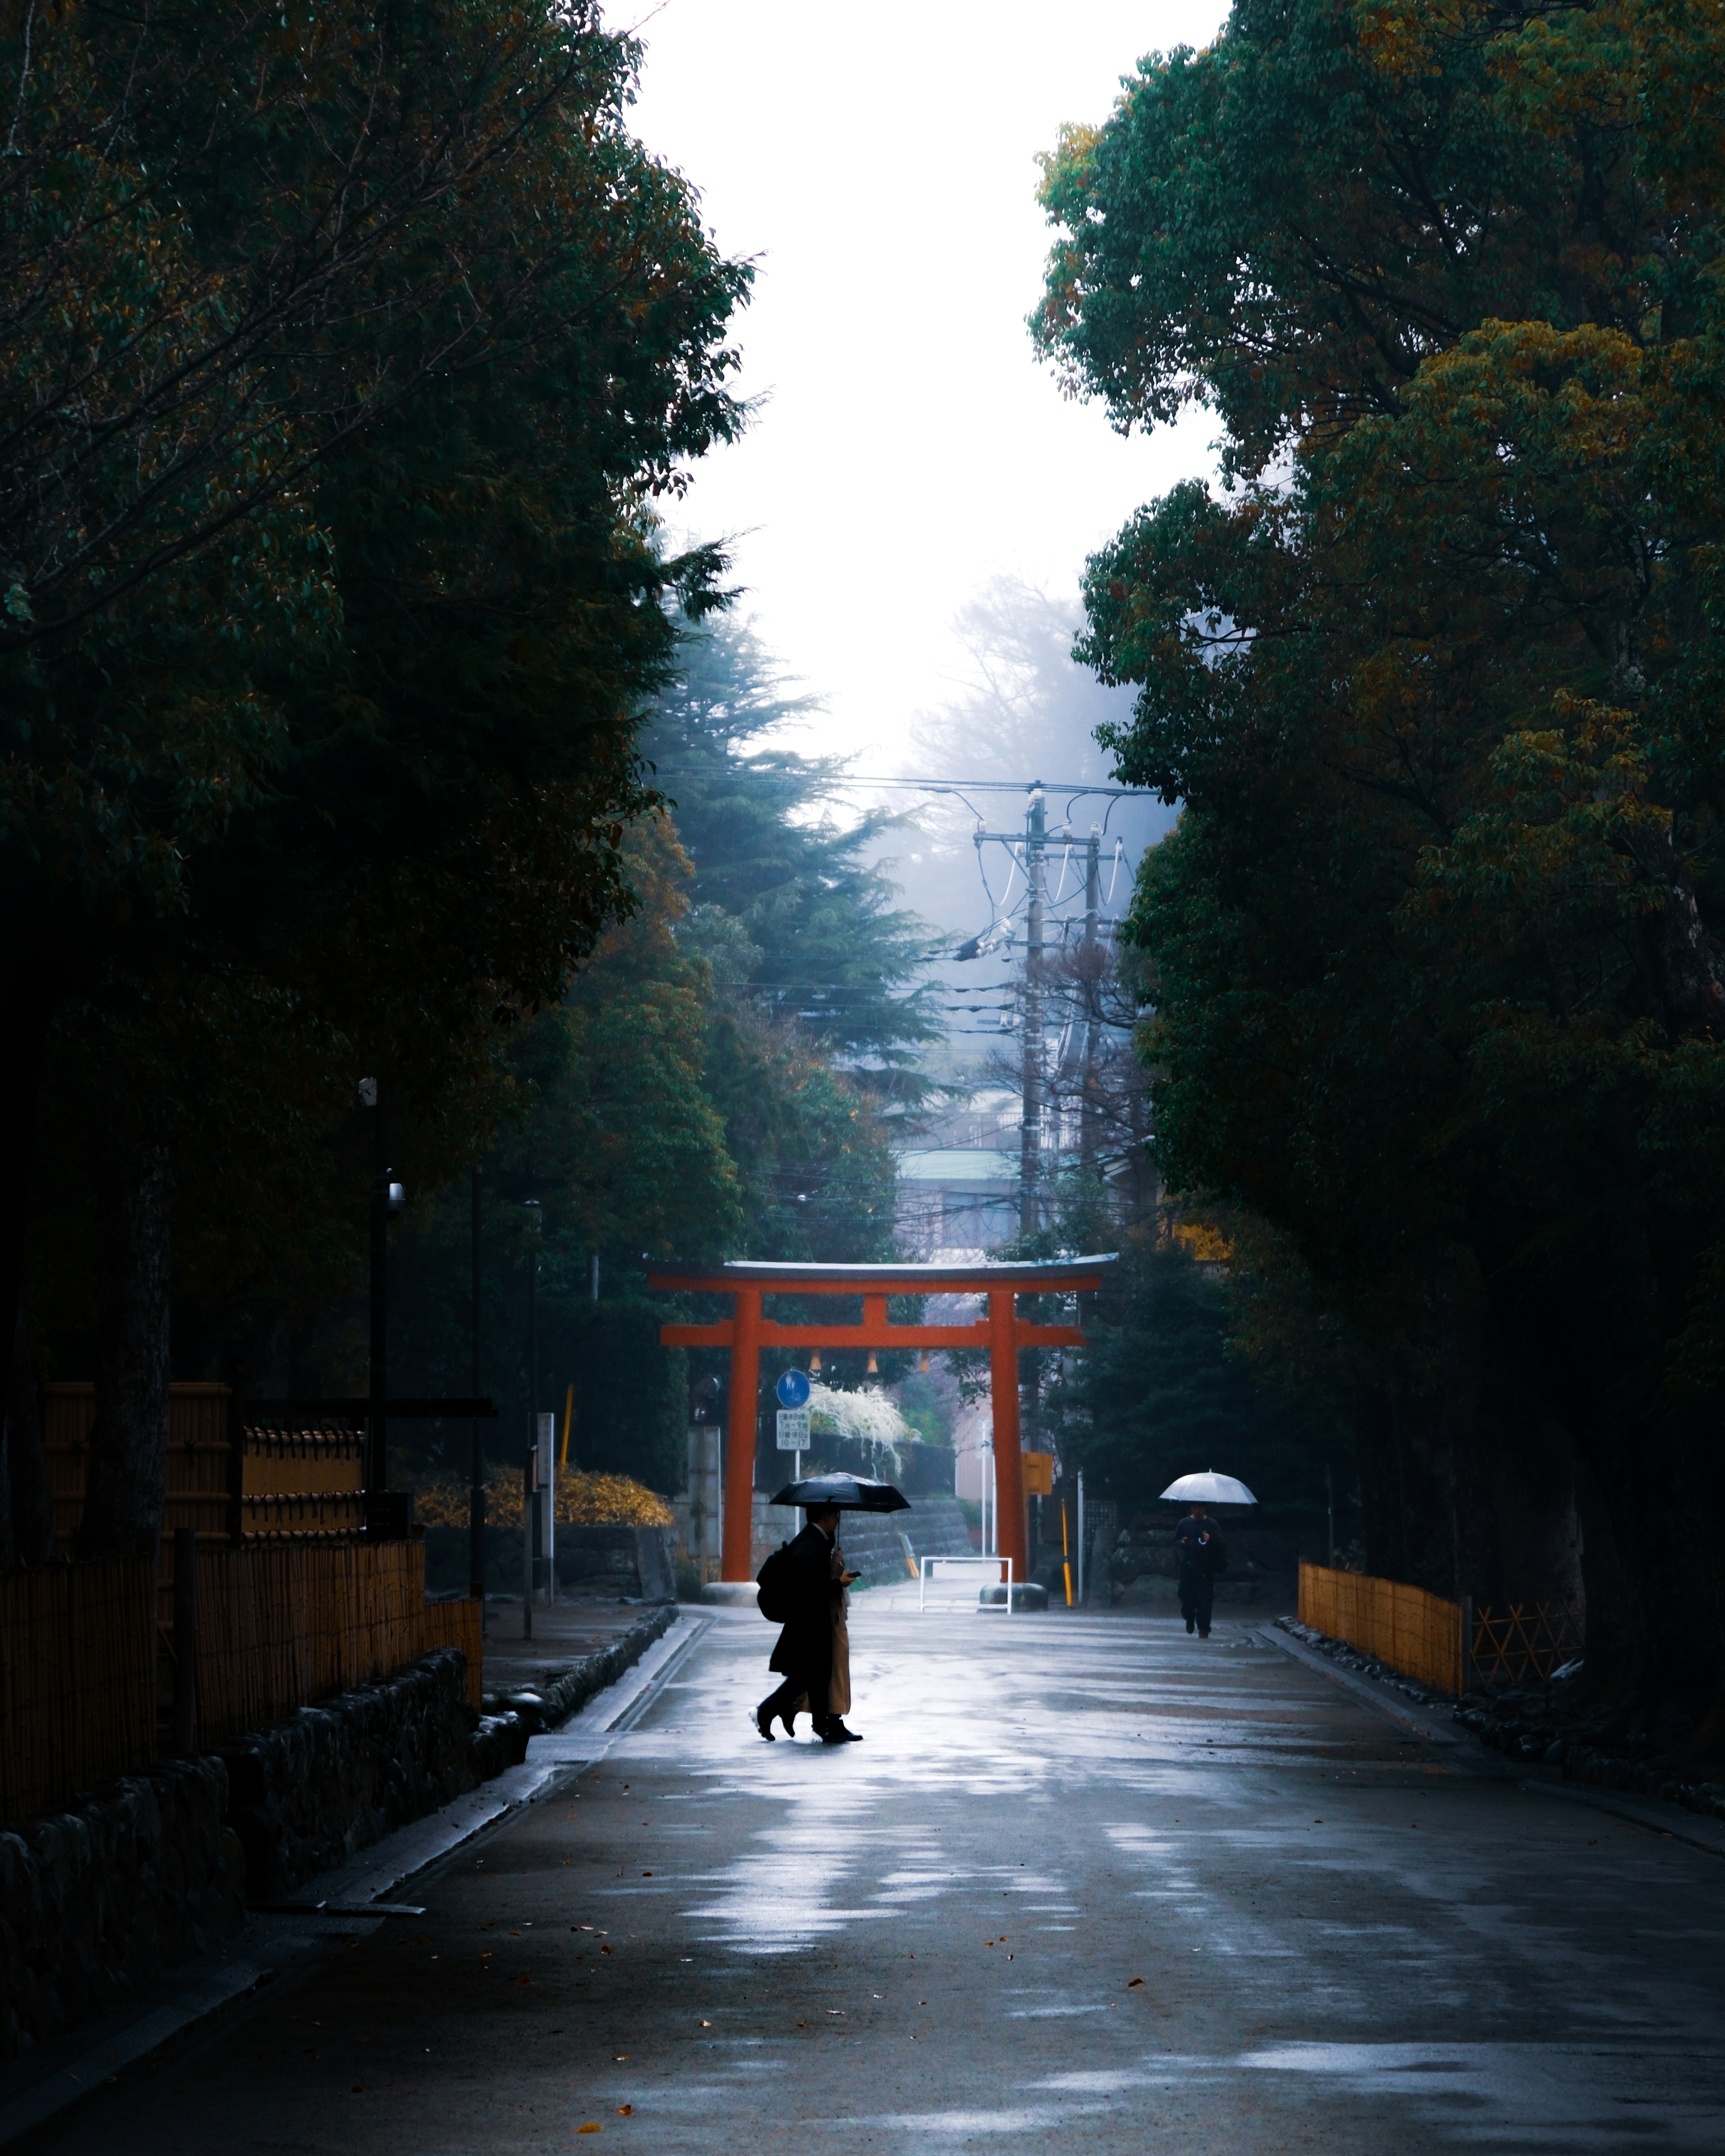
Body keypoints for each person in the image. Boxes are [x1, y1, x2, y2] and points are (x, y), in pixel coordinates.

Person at [756, 1504, 862, 1742]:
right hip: (808, 1622)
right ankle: (767, 1712)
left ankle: (820, 1725)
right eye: (835, 1514)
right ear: (824, 1515)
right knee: (808, 1676)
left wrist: (835, 1565)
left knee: (815, 1676)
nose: (838, 1519)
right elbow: (809, 1586)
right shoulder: (809, 1544)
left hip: (813, 1620)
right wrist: (838, 1583)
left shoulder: (818, 1541)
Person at [1175, 1503, 1225, 1638]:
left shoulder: (1212, 1524)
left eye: (1201, 1508)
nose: (1198, 1510)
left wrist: (1211, 1540)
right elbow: (1175, 1542)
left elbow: (1221, 1545)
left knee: (1205, 1600)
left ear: (1205, 1509)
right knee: (1185, 1596)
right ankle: (1190, 1617)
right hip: (1189, 1566)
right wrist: (1182, 1543)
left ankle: (1204, 1628)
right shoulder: (1184, 1523)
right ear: (1192, 1509)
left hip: (1206, 1567)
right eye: (1196, 1508)